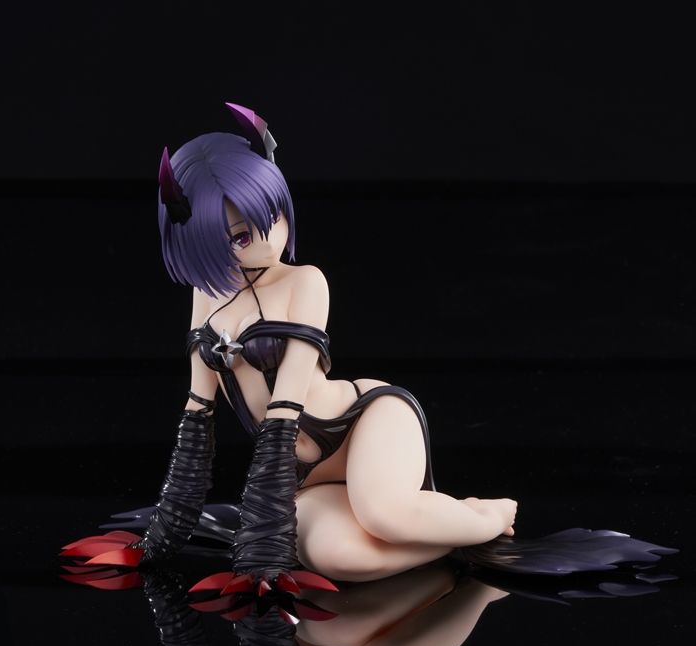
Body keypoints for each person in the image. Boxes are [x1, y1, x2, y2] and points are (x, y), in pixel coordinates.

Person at [63, 104, 675, 586]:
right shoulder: (206, 295)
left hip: (362, 421)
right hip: (308, 475)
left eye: (273, 216)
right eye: (241, 235)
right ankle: (445, 540)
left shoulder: (305, 282)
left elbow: (283, 413)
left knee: (382, 514)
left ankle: (482, 516)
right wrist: (156, 545)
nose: (267, 240)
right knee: (339, 560)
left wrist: (262, 555)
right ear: (196, 238)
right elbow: (196, 420)